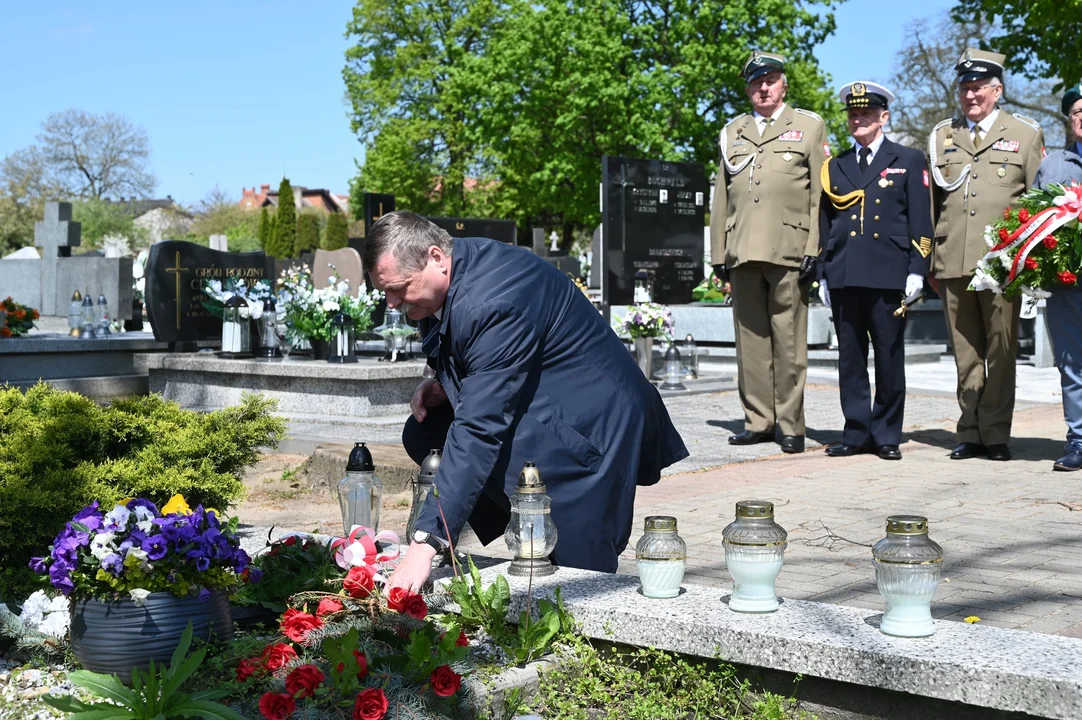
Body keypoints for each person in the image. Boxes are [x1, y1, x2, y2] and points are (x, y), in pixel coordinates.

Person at [362, 211, 689, 592]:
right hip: (548, 404)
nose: (391, 302)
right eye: (384, 291)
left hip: (590, 426)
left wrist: (427, 542)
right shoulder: (451, 277)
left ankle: (572, 569)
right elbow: (465, 351)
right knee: (426, 432)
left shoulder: (492, 300)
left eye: (398, 288)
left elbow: (480, 427)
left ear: (436, 257)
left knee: (580, 584)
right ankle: (529, 528)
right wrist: (441, 383)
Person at [929, 48, 1045, 462]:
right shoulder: (943, 135)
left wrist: (1031, 262)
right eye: (964, 88)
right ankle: (970, 430)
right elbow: (933, 203)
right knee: (965, 351)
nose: (970, 95)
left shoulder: (1026, 133)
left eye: (978, 87)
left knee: (1001, 348)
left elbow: (1038, 203)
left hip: (1001, 263)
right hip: (953, 259)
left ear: (998, 90)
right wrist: (930, 261)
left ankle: (996, 433)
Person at [709, 50, 828, 454]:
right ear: (747, 89)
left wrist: (814, 245)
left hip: (790, 249)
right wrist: (717, 254)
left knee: (789, 342)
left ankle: (791, 424)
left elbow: (818, 194)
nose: (764, 87)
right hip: (741, 249)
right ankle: (758, 420)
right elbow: (721, 196)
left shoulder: (808, 127)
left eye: (771, 80)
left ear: (784, 85)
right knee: (750, 342)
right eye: (757, 82)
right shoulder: (732, 133)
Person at [818, 81, 932, 460]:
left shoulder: (908, 159)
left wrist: (918, 268)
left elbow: (921, 219)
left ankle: (885, 435)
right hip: (845, 273)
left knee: (888, 356)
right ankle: (855, 433)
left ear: (884, 117)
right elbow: (826, 223)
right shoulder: (835, 167)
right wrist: (822, 272)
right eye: (853, 114)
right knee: (850, 358)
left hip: (889, 273)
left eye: (867, 113)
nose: (859, 119)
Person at [1033, 82, 1082, 471]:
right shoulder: (1053, 167)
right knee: (1071, 364)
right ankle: (1078, 441)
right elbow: (1032, 224)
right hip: (1066, 285)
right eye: (1078, 112)